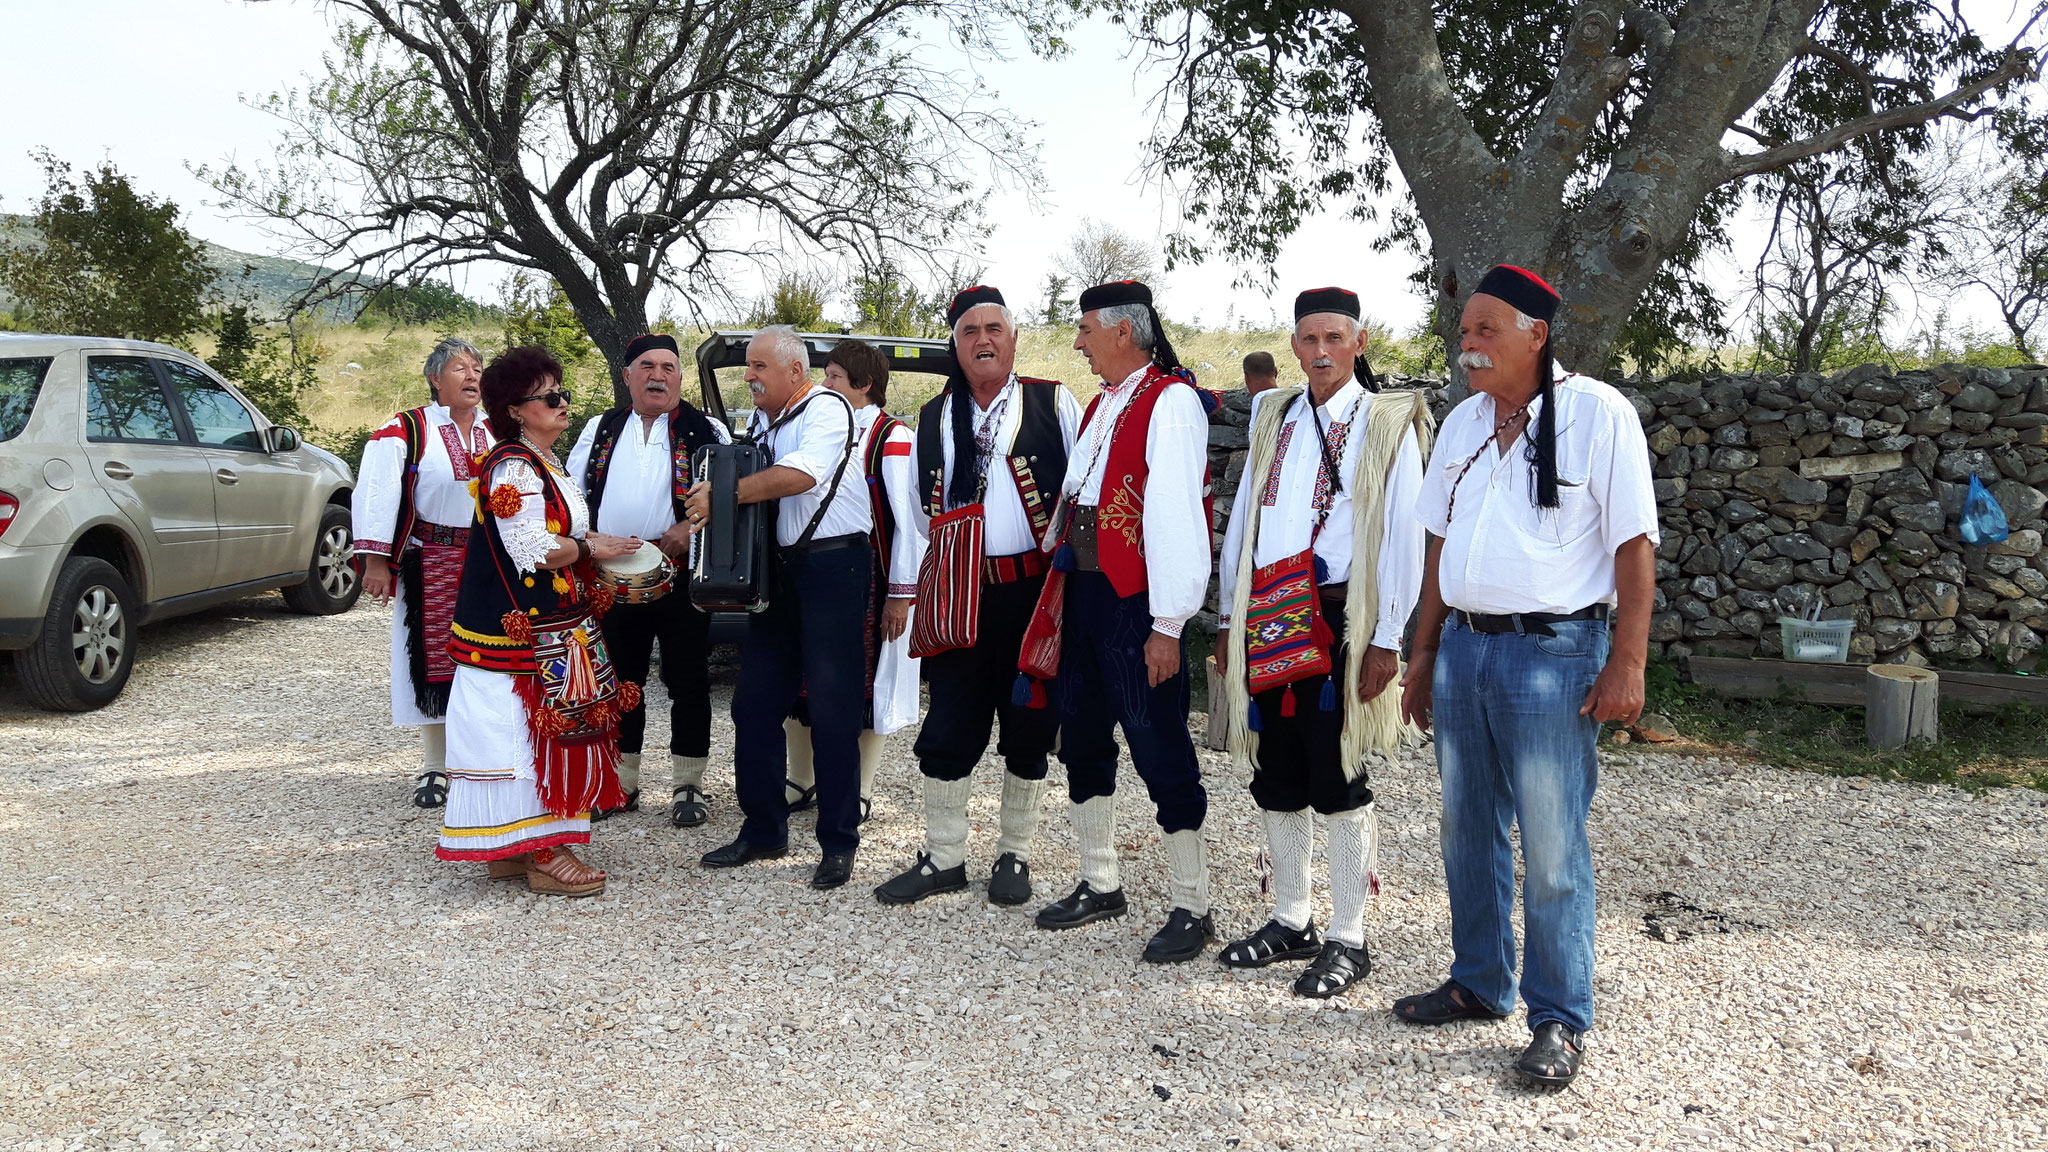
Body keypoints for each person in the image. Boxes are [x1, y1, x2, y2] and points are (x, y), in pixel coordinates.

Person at [1393, 264, 1658, 1087]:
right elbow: (1439, 542)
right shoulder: (1467, 423)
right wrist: (1423, 650)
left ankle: (1560, 1018)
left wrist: (1629, 660)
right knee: (1465, 827)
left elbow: (1634, 545)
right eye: (1463, 331)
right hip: (1465, 650)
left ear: (1536, 334)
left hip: (1552, 654)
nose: (1467, 346)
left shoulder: (1596, 413)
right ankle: (1479, 982)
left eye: (1484, 330)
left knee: (1550, 843)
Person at [1213, 286, 1430, 999]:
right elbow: (1246, 517)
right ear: (1296, 345)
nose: (1322, 353)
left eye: (1335, 338)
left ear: (1360, 342)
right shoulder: (1276, 414)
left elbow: (1403, 534)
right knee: (1276, 768)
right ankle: (1291, 917)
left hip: (1341, 618)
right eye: (1309, 340)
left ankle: (1350, 936)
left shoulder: (1387, 423)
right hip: (1269, 612)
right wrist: (1226, 620)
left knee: (1336, 771)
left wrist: (1388, 638)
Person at [1018, 280, 1215, 964]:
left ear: (1123, 332)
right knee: (1082, 736)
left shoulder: (1172, 401)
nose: (1077, 343)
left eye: (1085, 330)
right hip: (1084, 591)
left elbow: (1177, 517)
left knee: (1157, 739)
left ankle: (1193, 900)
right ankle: (1101, 881)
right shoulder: (1105, 402)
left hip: (1135, 601)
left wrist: (1168, 624)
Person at [872, 286, 1083, 908]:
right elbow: (915, 515)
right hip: (958, 596)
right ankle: (943, 857)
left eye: (995, 328)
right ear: (955, 345)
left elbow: (1081, 494)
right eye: (970, 331)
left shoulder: (1053, 402)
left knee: (1029, 724)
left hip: (1031, 594)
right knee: (949, 724)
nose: (984, 339)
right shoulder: (932, 418)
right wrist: (911, 594)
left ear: (1014, 340)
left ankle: (1013, 855)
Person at [435, 347, 643, 896]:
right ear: (518, 409)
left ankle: (519, 845)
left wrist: (592, 545)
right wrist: (588, 547)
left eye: (563, 393)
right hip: (517, 629)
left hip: (549, 622)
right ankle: (540, 850)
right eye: (550, 396)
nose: (563, 402)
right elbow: (532, 549)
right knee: (517, 730)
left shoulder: (542, 462)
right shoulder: (512, 466)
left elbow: (556, 539)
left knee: (531, 728)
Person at [686, 326, 873, 890]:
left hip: (833, 568)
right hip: (782, 573)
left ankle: (839, 842)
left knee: (835, 710)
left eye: (759, 367)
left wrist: (726, 494)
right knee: (753, 704)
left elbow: (804, 474)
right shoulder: (763, 423)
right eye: (748, 367)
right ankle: (765, 828)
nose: (749, 376)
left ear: (796, 371)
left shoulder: (828, 408)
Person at [565, 333, 730, 828]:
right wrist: (590, 539)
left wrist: (690, 526)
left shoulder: (710, 429)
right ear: (627, 376)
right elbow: (571, 497)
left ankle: (689, 784)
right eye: (647, 366)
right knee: (619, 680)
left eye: (668, 368)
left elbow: (731, 496)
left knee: (688, 680)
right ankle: (622, 783)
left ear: (680, 377)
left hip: (680, 578)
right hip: (612, 580)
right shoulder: (600, 427)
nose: (658, 375)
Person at [781, 337, 923, 824]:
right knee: (800, 678)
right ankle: (801, 780)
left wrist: (901, 597)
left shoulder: (892, 437)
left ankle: (859, 787)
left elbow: (909, 523)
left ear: (863, 385)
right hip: (816, 577)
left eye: (835, 377)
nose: (825, 385)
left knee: (862, 688)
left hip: (872, 581)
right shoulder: (816, 426)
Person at [356, 337, 493, 809]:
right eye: (460, 368)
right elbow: (377, 490)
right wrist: (375, 561)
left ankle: (476, 762)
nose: (472, 376)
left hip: (485, 561)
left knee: (486, 660)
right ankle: (434, 766)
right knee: (432, 661)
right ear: (436, 379)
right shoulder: (407, 429)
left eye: (477, 368)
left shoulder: (496, 431)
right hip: (430, 557)